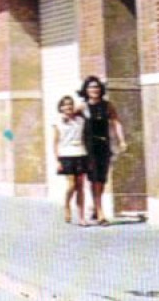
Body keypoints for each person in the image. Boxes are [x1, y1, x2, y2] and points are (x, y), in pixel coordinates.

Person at [80, 76, 127, 225]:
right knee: (94, 178)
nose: (94, 90)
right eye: (91, 87)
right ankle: (100, 212)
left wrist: (122, 140)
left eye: (97, 87)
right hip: (88, 146)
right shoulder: (82, 107)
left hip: (103, 145)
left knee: (102, 178)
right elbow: (69, 119)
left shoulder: (107, 106)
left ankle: (95, 206)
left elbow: (116, 122)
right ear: (86, 90)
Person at [51, 95, 89, 225]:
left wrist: (76, 111)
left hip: (80, 153)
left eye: (70, 104)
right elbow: (55, 143)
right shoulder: (57, 122)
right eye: (65, 104)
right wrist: (58, 161)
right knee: (71, 185)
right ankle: (67, 205)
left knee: (80, 187)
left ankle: (81, 216)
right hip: (66, 155)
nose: (68, 107)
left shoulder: (80, 120)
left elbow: (84, 107)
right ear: (60, 107)